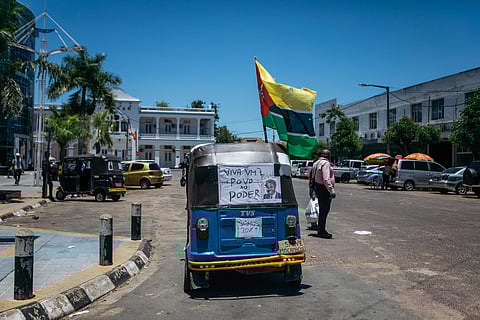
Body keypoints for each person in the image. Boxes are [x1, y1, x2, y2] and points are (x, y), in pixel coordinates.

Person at [309, 149, 336, 239]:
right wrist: (331, 191)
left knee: (322, 210)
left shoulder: (316, 163)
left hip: (318, 187)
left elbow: (312, 177)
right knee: (324, 211)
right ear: (328, 156)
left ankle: (320, 229)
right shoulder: (325, 163)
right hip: (324, 189)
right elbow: (326, 179)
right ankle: (322, 231)